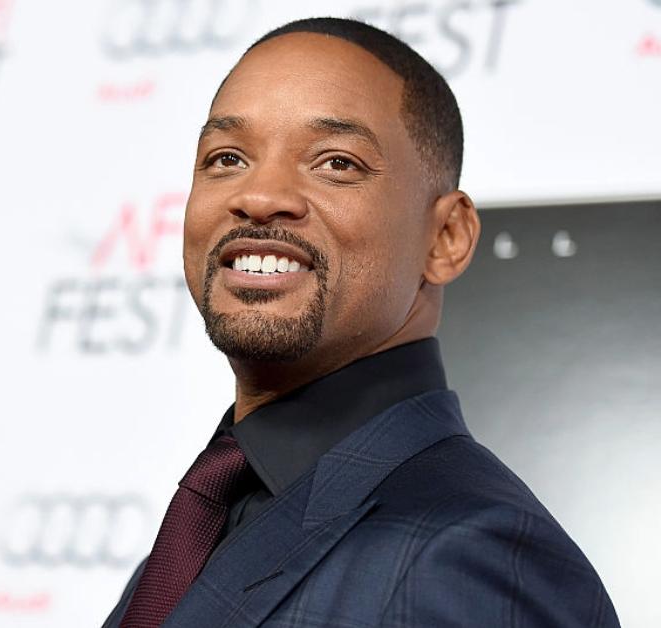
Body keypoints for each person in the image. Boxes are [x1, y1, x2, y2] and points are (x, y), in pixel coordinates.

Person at [101, 17, 619, 628]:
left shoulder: (473, 555)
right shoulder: (196, 538)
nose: (261, 195)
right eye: (228, 157)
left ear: (446, 237)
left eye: (336, 163)